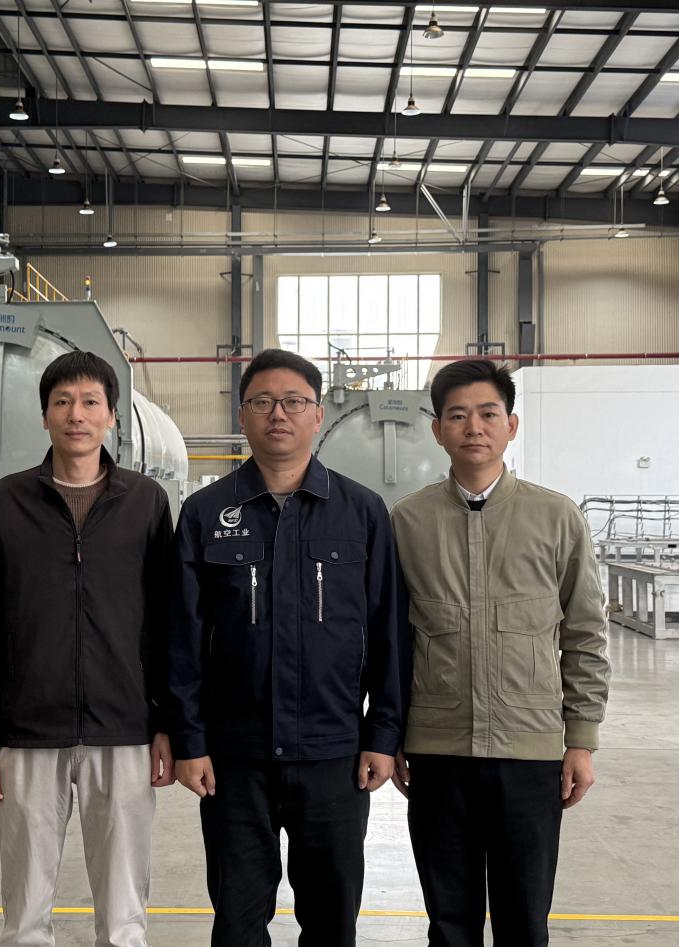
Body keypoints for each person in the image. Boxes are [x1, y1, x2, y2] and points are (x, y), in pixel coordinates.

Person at [167, 348, 406, 947]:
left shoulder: (362, 512)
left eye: (294, 401)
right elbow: (182, 638)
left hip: (334, 755)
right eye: (263, 402)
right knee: (238, 921)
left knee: (331, 921)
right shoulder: (204, 513)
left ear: (318, 415)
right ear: (242, 415)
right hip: (234, 759)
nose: (279, 414)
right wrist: (191, 741)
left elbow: (388, 632)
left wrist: (383, 735)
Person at [390, 358, 611, 947]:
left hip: (529, 753)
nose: (474, 428)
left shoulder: (556, 517)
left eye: (488, 414)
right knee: (449, 924)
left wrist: (581, 740)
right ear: (437, 430)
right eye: (457, 415)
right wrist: (392, 734)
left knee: (524, 921)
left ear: (511, 425)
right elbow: (390, 640)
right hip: (438, 752)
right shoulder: (408, 521)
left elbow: (585, 634)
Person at [0, 351, 176, 947]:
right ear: (45, 415)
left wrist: (167, 724)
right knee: (25, 913)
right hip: (27, 732)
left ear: (111, 416)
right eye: (62, 402)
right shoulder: (5, 502)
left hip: (124, 731)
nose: (76, 414)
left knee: (125, 915)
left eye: (89, 402)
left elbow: (166, 624)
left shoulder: (146, 502)